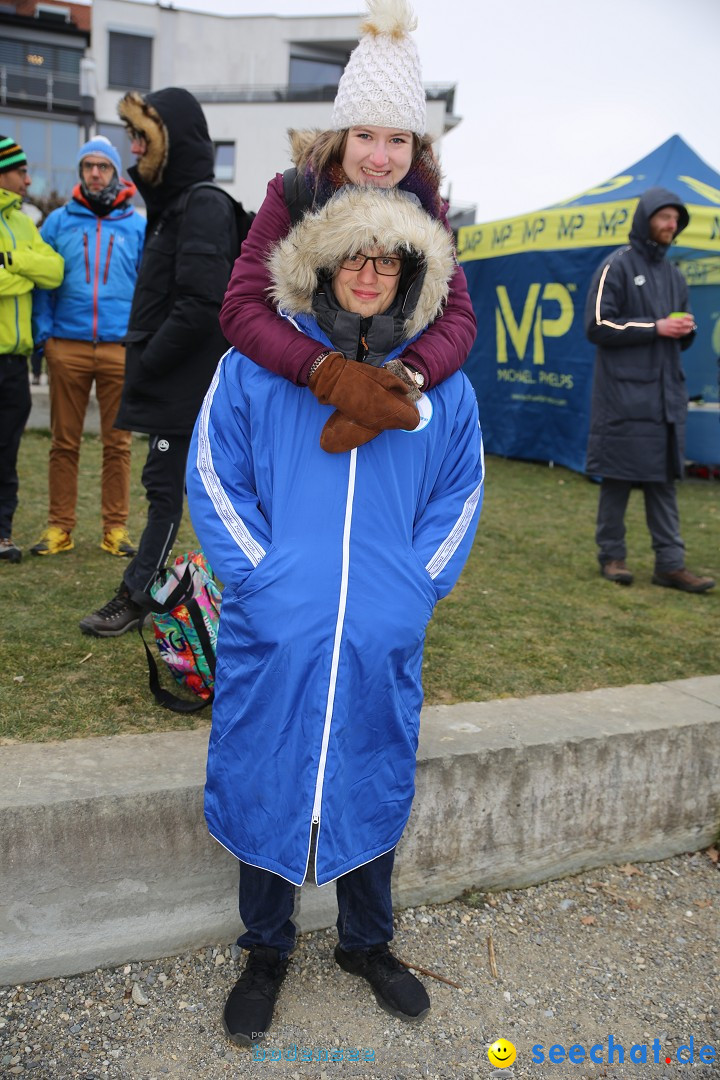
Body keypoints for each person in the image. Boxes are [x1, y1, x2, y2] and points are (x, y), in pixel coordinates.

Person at [186, 184, 484, 1046]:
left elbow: (460, 492)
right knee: (266, 765)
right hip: (278, 624)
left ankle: (367, 942)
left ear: (413, 273)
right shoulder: (261, 365)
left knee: (371, 763)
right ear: (321, 262)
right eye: (353, 254)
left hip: (379, 627)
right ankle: (266, 948)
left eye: (387, 258)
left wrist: (413, 588)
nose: (367, 272)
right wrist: (258, 583)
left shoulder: (443, 389)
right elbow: (214, 472)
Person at [219, 0, 476, 453]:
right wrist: (323, 369)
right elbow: (241, 307)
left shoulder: (427, 208)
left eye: (396, 140)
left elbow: (458, 318)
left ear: (414, 146)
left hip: (393, 422)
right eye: (365, 136)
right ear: (342, 136)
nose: (379, 159)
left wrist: (406, 376)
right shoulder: (295, 194)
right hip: (291, 402)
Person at [79, 88, 238, 635]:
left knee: (170, 491)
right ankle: (148, 589)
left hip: (182, 384)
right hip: (170, 382)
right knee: (166, 488)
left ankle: (137, 595)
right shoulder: (173, 207)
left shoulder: (202, 203)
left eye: (141, 134)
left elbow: (201, 306)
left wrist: (148, 363)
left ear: (171, 139)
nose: (131, 145)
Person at [585, 186, 715, 593]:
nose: (671, 225)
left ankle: (670, 564)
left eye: (676, 220)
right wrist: (655, 327)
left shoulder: (675, 274)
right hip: (624, 397)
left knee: (664, 481)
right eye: (664, 217)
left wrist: (684, 330)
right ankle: (612, 556)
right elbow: (597, 326)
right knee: (618, 479)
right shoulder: (616, 265)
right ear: (646, 219)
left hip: (665, 398)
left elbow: (676, 333)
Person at [30, 136, 145, 558]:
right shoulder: (58, 222)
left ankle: (115, 529)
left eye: (104, 166)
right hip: (68, 345)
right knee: (64, 442)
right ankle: (60, 527)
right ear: (80, 172)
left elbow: (148, 289)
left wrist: (141, 341)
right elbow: (42, 285)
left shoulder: (137, 226)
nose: (95, 173)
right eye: (88, 166)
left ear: (116, 172)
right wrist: (46, 337)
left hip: (119, 347)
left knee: (118, 444)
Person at [0, 135, 64, 564]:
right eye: (21, 171)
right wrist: (24, 272)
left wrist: (14, 262)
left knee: (8, 451)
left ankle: (2, 534)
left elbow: (54, 270)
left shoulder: (24, 223)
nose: (28, 179)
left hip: (15, 362)